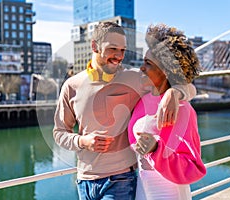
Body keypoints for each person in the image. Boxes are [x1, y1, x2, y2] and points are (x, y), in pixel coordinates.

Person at [53, 21, 196, 200]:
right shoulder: (71, 86)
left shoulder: (135, 78)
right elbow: (59, 133)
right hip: (84, 181)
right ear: (94, 46)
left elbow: (188, 86)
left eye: (123, 50)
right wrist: (82, 141)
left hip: (120, 179)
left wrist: (175, 92)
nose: (119, 56)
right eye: (113, 49)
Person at [128, 23, 207, 200]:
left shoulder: (182, 108)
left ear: (165, 71)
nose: (141, 68)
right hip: (142, 190)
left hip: (169, 192)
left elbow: (194, 166)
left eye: (148, 63)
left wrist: (156, 149)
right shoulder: (142, 99)